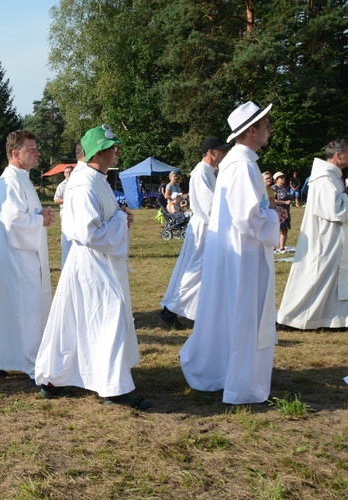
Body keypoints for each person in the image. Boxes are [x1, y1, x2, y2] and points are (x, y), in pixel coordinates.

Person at [35, 125, 149, 408]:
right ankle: (113, 388)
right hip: (93, 263)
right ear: (98, 152)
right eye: (112, 148)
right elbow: (89, 232)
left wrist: (121, 217)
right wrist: (120, 222)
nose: (116, 152)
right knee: (107, 317)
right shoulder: (86, 183)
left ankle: (54, 379)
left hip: (93, 261)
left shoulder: (95, 178)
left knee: (75, 321)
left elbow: (102, 219)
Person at [180, 101, 282, 405]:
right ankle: (241, 382)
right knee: (243, 314)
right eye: (265, 124)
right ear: (251, 130)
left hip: (238, 252)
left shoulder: (239, 163)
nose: (269, 129)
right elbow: (247, 217)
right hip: (243, 255)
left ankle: (230, 373)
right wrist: (274, 217)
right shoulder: (242, 166)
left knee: (234, 314)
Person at [0, 130, 54, 384]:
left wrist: (39, 218)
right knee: (24, 311)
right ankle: (31, 365)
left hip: (27, 254)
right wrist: (40, 219)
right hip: (17, 257)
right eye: (32, 149)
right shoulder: (9, 181)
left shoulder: (22, 178)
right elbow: (12, 219)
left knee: (18, 311)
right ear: (15, 154)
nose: (37, 153)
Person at [277, 139, 348, 329]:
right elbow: (335, 209)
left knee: (331, 280)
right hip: (323, 238)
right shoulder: (324, 178)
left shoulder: (331, 176)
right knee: (314, 278)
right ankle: (294, 319)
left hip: (332, 238)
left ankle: (332, 318)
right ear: (338, 155)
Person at [160, 137, 230, 327]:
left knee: (194, 269)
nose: (224, 155)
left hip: (207, 226)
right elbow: (208, 205)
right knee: (197, 271)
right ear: (211, 152)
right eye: (222, 151)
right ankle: (171, 309)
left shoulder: (209, 172)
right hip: (206, 229)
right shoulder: (200, 173)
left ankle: (175, 308)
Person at [53, 164, 75, 268]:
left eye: (71, 172)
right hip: (66, 212)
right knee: (66, 234)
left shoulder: (77, 183)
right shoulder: (62, 186)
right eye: (67, 172)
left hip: (76, 212)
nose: (69, 174)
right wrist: (68, 199)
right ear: (64, 174)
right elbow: (56, 200)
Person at [272, 171, 294, 253]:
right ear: (276, 179)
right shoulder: (274, 188)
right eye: (281, 177)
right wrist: (284, 202)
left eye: (283, 177)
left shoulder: (286, 187)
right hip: (277, 211)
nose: (283, 179)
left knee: (285, 229)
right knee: (276, 229)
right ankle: (273, 247)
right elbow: (273, 200)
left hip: (286, 212)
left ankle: (282, 247)